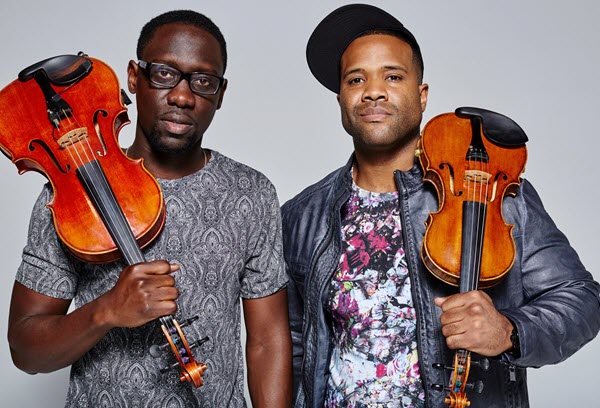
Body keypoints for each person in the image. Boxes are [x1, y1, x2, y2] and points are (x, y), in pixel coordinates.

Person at [282, 4, 600, 408]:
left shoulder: (492, 194)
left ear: (422, 95)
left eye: (393, 76)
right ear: (342, 98)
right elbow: (295, 345)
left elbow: (582, 298)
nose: (373, 90)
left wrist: (510, 330)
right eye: (355, 79)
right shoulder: (301, 216)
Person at [7, 10, 292, 408]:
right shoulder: (69, 196)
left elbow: (266, 341)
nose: (181, 96)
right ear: (134, 78)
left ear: (220, 95)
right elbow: (26, 351)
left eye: (203, 81)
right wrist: (106, 310)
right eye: (163, 74)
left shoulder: (252, 193)